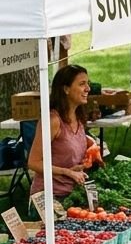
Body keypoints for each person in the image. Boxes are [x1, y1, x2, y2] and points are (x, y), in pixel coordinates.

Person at [28, 63, 92, 202]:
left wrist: (90, 154)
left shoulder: (78, 118)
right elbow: (33, 162)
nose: (88, 88)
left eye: (88, 83)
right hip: (49, 197)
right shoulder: (53, 121)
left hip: (73, 194)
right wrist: (66, 172)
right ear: (66, 89)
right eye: (82, 84)